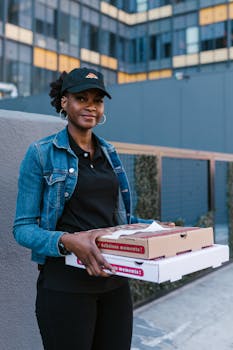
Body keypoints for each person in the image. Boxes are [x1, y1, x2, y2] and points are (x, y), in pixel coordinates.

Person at [13, 67, 155, 350]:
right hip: (65, 288)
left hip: (115, 283)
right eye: (82, 98)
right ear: (65, 102)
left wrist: (154, 229)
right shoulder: (41, 153)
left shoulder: (110, 153)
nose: (91, 106)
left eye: (97, 100)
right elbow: (23, 229)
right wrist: (67, 241)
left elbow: (118, 219)